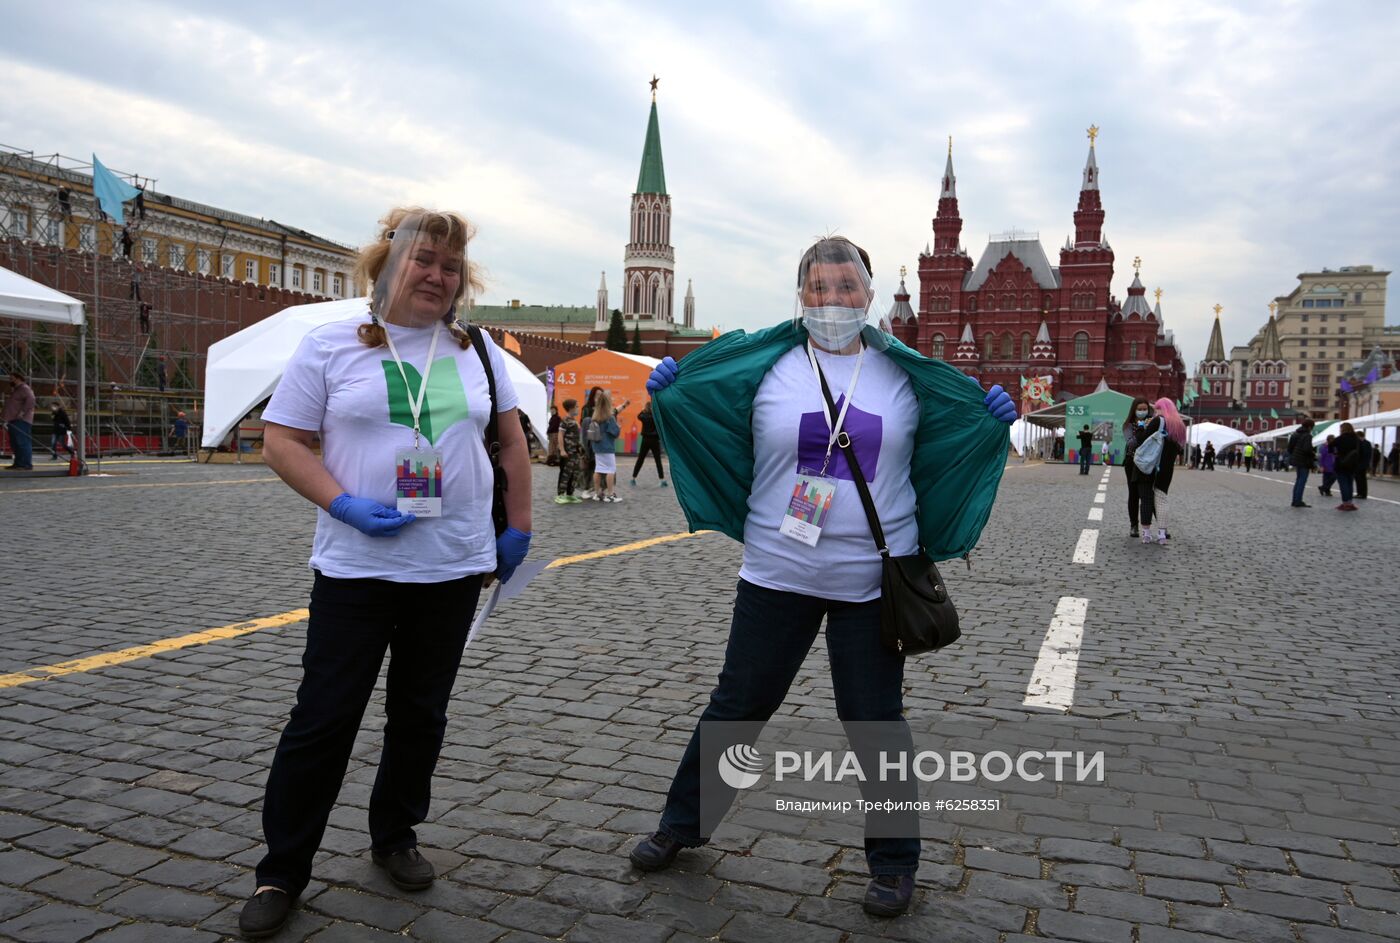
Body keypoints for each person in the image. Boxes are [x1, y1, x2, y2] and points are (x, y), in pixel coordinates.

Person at [627, 237, 1015, 918]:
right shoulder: (769, 366)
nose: (833, 300)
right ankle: (681, 824)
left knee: (875, 721)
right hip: (778, 570)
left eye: (847, 287)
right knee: (738, 706)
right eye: (818, 288)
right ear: (799, 296)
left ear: (869, 295)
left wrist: (985, 422)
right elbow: (711, 416)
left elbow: (949, 438)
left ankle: (895, 864)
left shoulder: (905, 377)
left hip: (872, 580)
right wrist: (674, 394)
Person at [239, 208, 533, 939]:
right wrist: (342, 502)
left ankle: (396, 834)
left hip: (451, 568)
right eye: (424, 259)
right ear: (385, 264)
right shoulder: (332, 345)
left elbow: (510, 443)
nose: (437, 275)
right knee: (324, 717)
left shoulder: (477, 350)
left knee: (420, 715)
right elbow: (282, 441)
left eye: (451, 265)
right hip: (357, 568)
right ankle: (282, 867)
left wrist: (519, 526)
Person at [1121, 397, 1160, 540]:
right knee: (1133, 494)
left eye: (1145, 409)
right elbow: (1132, 443)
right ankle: (1133, 525)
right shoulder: (1128, 425)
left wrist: (1150, 426)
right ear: (1134, 410)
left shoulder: (1153, 422)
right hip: (1132, 462)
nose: (1142, 412)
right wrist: (1142, 429)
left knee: (1149, 494)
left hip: (1149, 462)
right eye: (1139, 409)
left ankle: (1160, 526)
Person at [1149, 399, 1185, 544]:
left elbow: (1145, 438)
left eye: (1157, 409)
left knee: (1152, 496)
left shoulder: (1158, 421)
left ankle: (1150, 529)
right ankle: (1163, 532)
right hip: (1168, 468)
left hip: (1154, 465)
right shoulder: (1179, 425)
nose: (1156, 412)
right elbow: (1180, 449)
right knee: (1162, 496)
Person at [589, 390, 626, 501]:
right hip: (607, 447)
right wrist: (619, 427)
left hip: (597, 446)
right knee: (610, 470)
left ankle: (597, 493)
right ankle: (610, 495)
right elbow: (614, 432)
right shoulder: (609, 417)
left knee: (598, 469)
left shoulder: (595, 415)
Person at [3, 371, 36, 470]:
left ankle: (25, 464)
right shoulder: (16, 390)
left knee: (22, 442)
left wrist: (22, 413)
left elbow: (31, 400)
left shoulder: (24, 388)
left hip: (21, 421)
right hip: (13, 420)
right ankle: (18, 463)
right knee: (15, 443)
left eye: (12, 378)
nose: (10, 380)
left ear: (18, 378)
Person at [631, 400, 667, 487]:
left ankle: (633, 478)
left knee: (640, 459)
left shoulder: (644, 416)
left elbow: (639, 416)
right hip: (654, 440)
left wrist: (643, 410)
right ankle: (662, 480)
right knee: (658, 460)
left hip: (645, 440)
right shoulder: (656, 416)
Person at [554, 398, 583, 504]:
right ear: (571, 408)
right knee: (565, 473)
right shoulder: (565, 420)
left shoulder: (573, 420)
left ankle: (570, 494)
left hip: (575, 453)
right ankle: (560, 494)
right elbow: (560, 435)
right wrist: (562, 450)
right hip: (567, 452)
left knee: (574, 473)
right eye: (577, 406)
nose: (578, 408)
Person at [578, 386, 601, 499]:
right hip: (588, 440)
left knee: (599, 466)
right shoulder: (586, 408)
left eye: (601, 395)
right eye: (597, 395)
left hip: (600, 440)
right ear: (593, 396)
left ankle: (597, 488)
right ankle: (586, 488)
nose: (599, 397)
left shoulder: (603, 409)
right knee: (588, 465)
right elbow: (584, 423)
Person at [1332, 423, 1362, 511]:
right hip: (1353, 464)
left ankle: (1345, 503)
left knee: (1343, 484)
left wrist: (1336, 453)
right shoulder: (1356, 439)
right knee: (1350, 483)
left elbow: (1330, 447)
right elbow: (1361, 451)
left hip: (1341, 464)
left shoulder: (1339, 439)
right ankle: (1350, 502)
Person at [1289, 419, 1317, 508]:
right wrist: (1313, 454)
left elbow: (1290, 448)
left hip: (1296, 459)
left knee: (1298, 480)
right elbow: (1307, 449)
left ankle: (1295, 500)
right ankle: (1298, 501)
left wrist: (1294, 455)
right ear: (1309, 427)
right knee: (1302, 480)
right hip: (1304, 460)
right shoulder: (1307, 436)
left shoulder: (1295, 434)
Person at [1354, 433, 1372, 500]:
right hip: (1361, 464)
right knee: (1360, 479)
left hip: (1361, 464)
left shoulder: (1365, 443)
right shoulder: (1366, 443)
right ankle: (1360, 493)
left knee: (1361, 479)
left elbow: (1365, 454)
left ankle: (1362, 493)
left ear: (1359, 436)